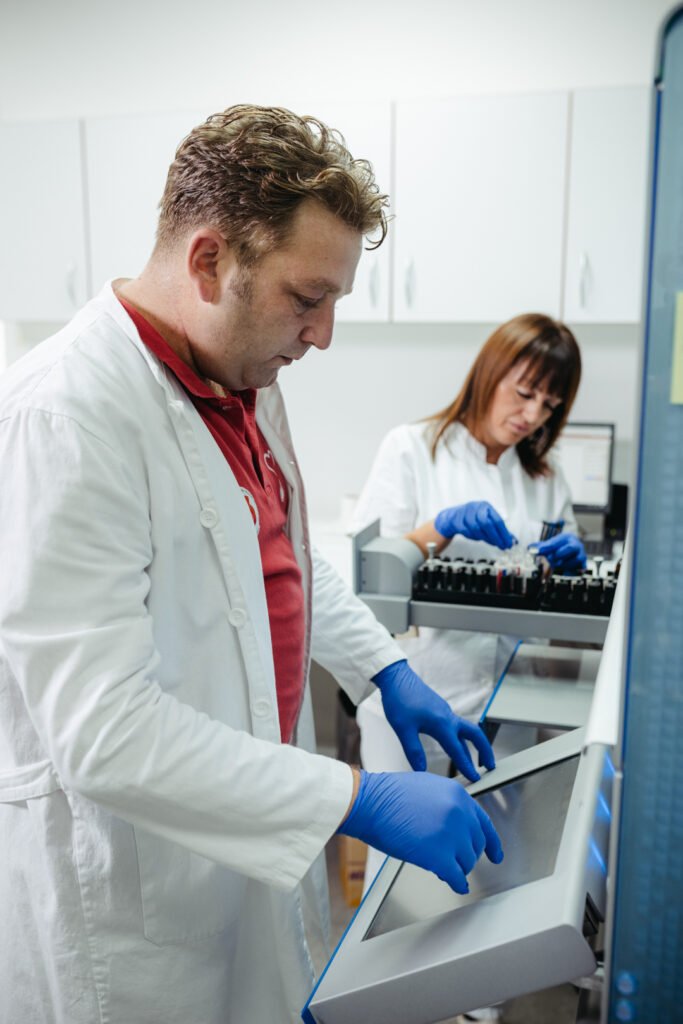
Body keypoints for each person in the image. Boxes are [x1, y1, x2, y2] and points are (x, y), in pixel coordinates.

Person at [0, 105, 504, 1024]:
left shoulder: (241, 377)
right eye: (307, 298)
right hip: (134, 894)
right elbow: (104, 733)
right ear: (207, 262)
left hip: (245, 833)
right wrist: (351, 795)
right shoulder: (64, 416)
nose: (323, 335)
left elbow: (277, 556)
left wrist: (382, 669)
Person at [353, 312, 584, 804]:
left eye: (549, 404)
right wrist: (441, 527)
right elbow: (373, 574)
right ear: (489, 373)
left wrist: (571, 569)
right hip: (416, 696)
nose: (533, 415)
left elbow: (561, 582)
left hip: (510, 708)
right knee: (403, 843)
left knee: (501, 850)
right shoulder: (411, 449)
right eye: (524, 393)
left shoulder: (546, 478)